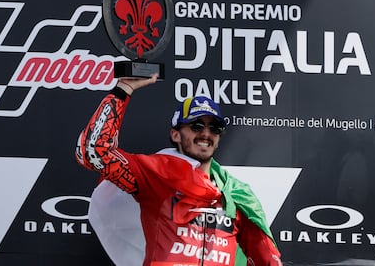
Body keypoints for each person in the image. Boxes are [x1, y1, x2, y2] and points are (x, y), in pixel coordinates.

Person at [75, 74, 282, 266]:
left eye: (214, 128)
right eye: (196, 125)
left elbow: (267, 259)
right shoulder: (156, 174)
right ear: (175, 135)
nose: (206, 134)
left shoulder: (236, 195)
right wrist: (123, 89)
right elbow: (94, 151)